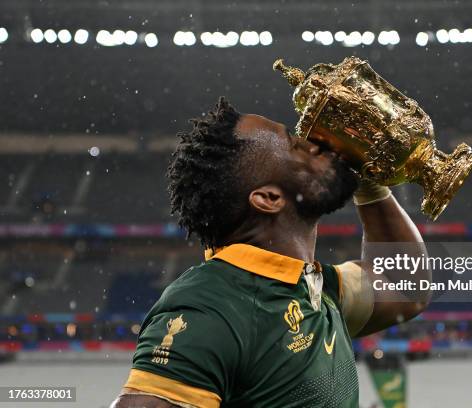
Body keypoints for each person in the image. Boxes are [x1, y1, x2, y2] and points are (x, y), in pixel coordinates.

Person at [111, 97, 427, 408]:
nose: (313, 143)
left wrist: (370, 184)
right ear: (269, 198)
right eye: (294, 145)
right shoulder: (209, 307)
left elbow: (405, 286)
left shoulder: (312, 287)